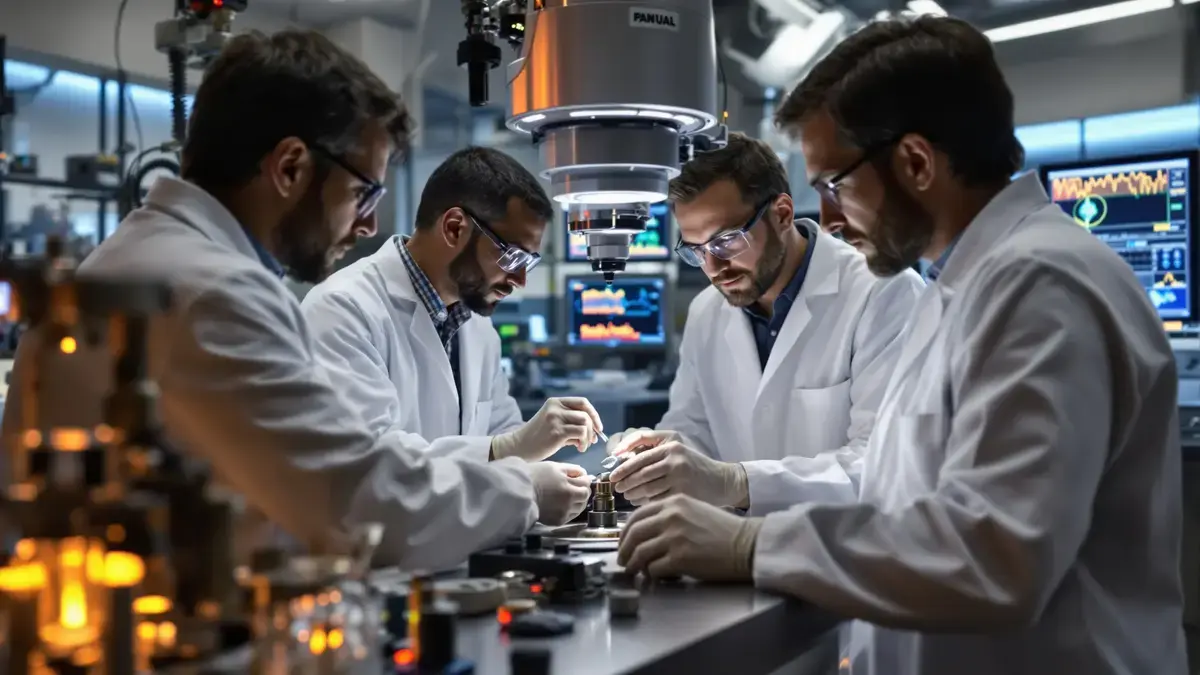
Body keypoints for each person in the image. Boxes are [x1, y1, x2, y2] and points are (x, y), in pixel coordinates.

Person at [616, 16, 1186, 675]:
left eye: (834, 185)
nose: (825, 217)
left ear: (915, 162)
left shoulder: (1038, 286)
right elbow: (904, 505)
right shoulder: (962, 287)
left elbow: (997, 558)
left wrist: (751, 543)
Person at [0, 29, 590, 570]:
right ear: (290, 167)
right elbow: (352, 501)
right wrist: (524, 489)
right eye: (362, 192)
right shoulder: (215, 291)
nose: (366, 225)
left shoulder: (155, 258)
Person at [603, 133, 923, 515]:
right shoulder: (708, 311)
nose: (713, 268)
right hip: (736, 554)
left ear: (782, 214)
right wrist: (659, 453)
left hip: (845, 557)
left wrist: (736, 483)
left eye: (726, 241)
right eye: (696, 251)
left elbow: (884, 464)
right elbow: (694, 432)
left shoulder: (883, 294)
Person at [300, 147, 604, 469]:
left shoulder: (475, 324)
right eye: (512, 256)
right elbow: (370, 464)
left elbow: (501, 433)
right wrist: (511, 449)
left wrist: (538, 472)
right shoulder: (340, 311)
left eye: (529, 262)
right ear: (455, 228)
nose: (519, 279)